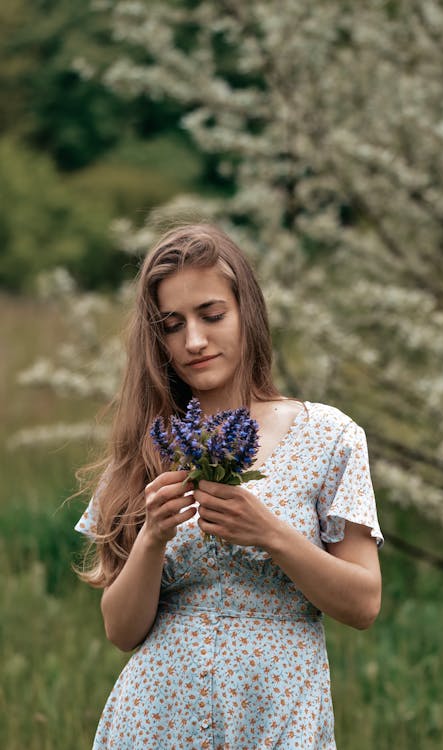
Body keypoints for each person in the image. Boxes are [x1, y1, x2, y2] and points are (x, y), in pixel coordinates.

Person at [75, 222, 383, 750]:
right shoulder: (146, 443)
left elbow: (363, 604)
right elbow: (120, 632)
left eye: (212, 315)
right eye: (172, 325)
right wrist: (152, 538)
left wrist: (271, 534)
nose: (193, 340)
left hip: (278, 714)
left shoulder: (330, 436)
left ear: (248, 313)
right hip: (154, 719)